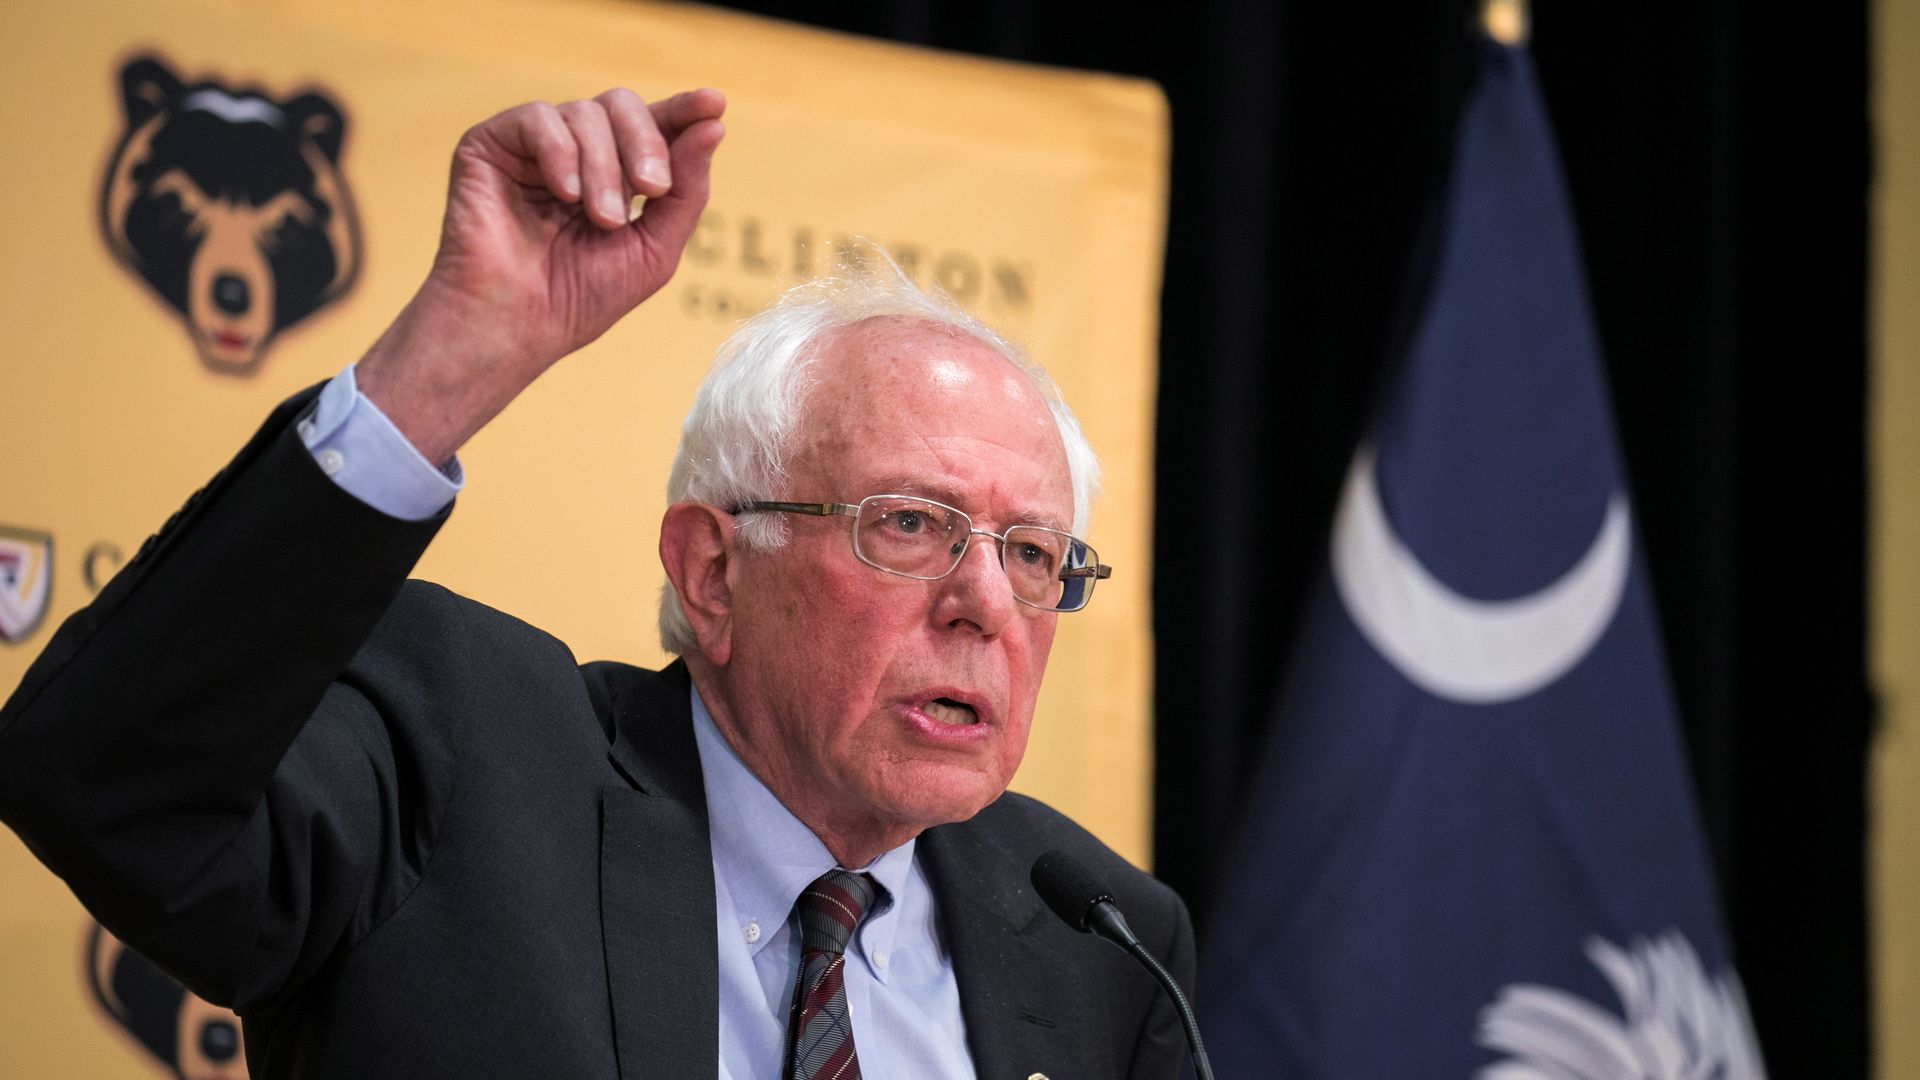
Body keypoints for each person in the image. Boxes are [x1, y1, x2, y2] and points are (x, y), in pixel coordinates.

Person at [0, 87, 1193, 1079]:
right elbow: (102, 778)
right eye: (911, 525)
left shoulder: (1102, 939)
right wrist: (450, 356)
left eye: (1032, 553)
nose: (986, 602)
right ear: (713, 573)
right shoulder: (464, 761)